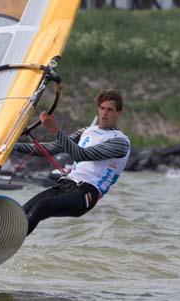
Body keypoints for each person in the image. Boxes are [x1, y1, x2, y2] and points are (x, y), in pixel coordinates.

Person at [13, 89, 131, 235]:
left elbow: (81, 155)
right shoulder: (85, 131)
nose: (105, 113)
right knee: (21, 212)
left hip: (86, 194)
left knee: (42, 206)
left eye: (110, 110)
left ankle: (6, 244)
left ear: (118, 113)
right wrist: (12, 147)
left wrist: (55, 131)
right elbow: (50, 148)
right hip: (65, 185)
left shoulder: (120, 142)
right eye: (102, 108)